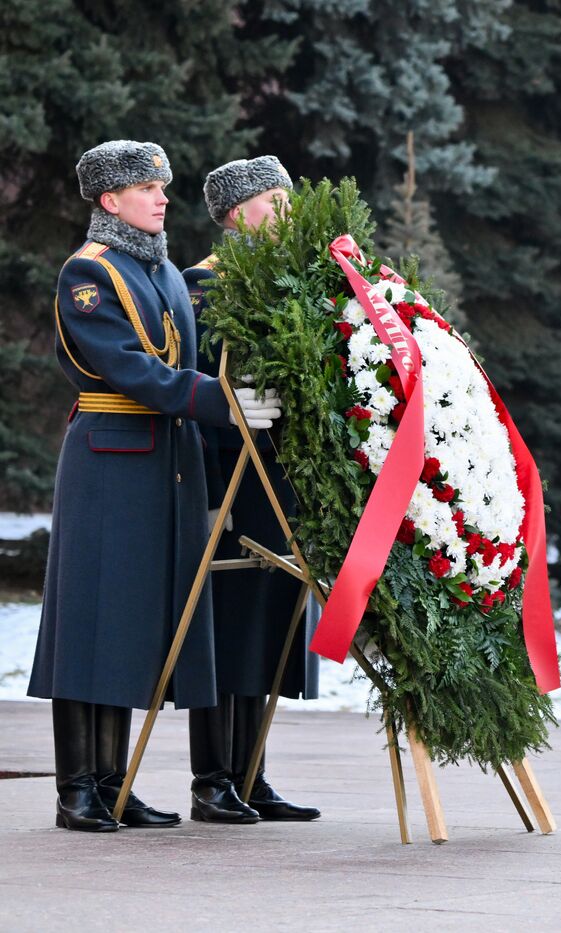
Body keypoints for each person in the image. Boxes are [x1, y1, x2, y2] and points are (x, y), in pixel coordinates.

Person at [29, 140, 283, 832]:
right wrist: (223, 401)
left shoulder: (163, 269)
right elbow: (129, 368)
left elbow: (190, 358)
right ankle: (76, 787)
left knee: (132, 625)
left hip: (162, 458)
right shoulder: (89, 273)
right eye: (147, 187)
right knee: (90, 622)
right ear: (110, 201)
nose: (162, 197)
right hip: (109, 454)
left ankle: (114, 784)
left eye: (161, 186)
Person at [182, 156, 320, 823]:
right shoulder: (202, 287)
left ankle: (253, 772)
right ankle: (212, 779)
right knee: (225, 626)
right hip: (232, 475)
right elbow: (200, 390)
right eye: (275, 200)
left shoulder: (289, 280)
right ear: (238, 213)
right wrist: (211, 491)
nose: (287, 212)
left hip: (280, 478)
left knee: (270, 626)